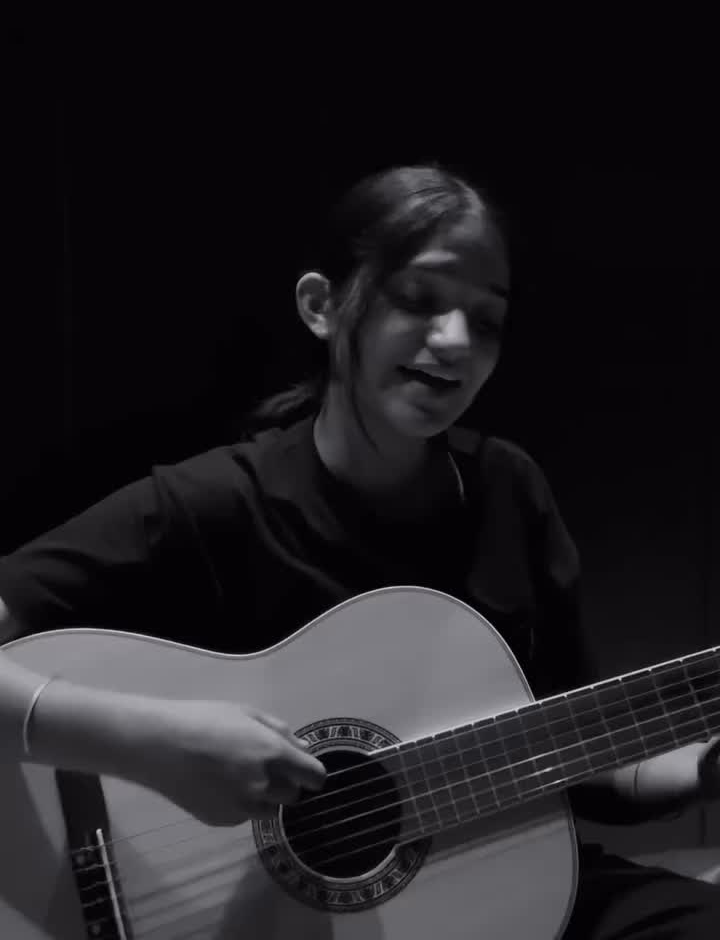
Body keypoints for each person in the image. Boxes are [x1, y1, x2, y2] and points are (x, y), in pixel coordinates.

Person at [0, 161, 717, 937]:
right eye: (418, 299)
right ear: (321, 306)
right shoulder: (211, 504)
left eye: (488, 319)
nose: (455, 341)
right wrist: (152, 746)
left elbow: (576, 759)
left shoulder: (509, 490)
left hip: (500, 891)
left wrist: (697, 769)